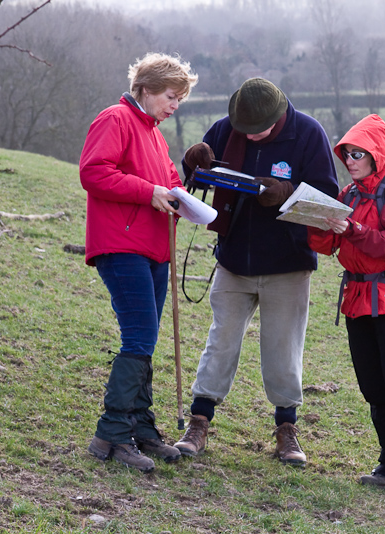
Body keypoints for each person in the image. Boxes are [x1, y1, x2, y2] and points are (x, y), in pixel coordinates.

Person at [173, 78, 339, 466]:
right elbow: (200, 175)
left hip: (288, 263)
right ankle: (199, 422)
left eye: (258, 130)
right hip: (234, 259)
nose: (249, 136)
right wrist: (192, 162)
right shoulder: (228, 127)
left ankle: (286, 429)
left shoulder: (308, 134)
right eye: (243, 130)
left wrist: (285, 193)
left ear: (279, 116)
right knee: (221, 340)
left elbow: (326, 200)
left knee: (282, 349)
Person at [79, 52, 198, 472]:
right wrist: (148, 192)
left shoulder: (154, 133)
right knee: (139, 336)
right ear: (145, 90)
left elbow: (169, 181)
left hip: (154, 249)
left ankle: (141, 426)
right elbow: (93, 172)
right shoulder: (115, 119)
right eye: (170, 96)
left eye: (179, 99)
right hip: (121, 245)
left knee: (146, 339)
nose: (174, 105)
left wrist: (185, 188)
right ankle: (111, 433)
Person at [307, 114, 385, 502]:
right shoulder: (349, 194)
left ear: (377, 154)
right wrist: (313, 221)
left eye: (358, 152)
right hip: (358, 301)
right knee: (374, 389)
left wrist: (353, 230)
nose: (350, 159)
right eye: (346, 153)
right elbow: (328, 247)